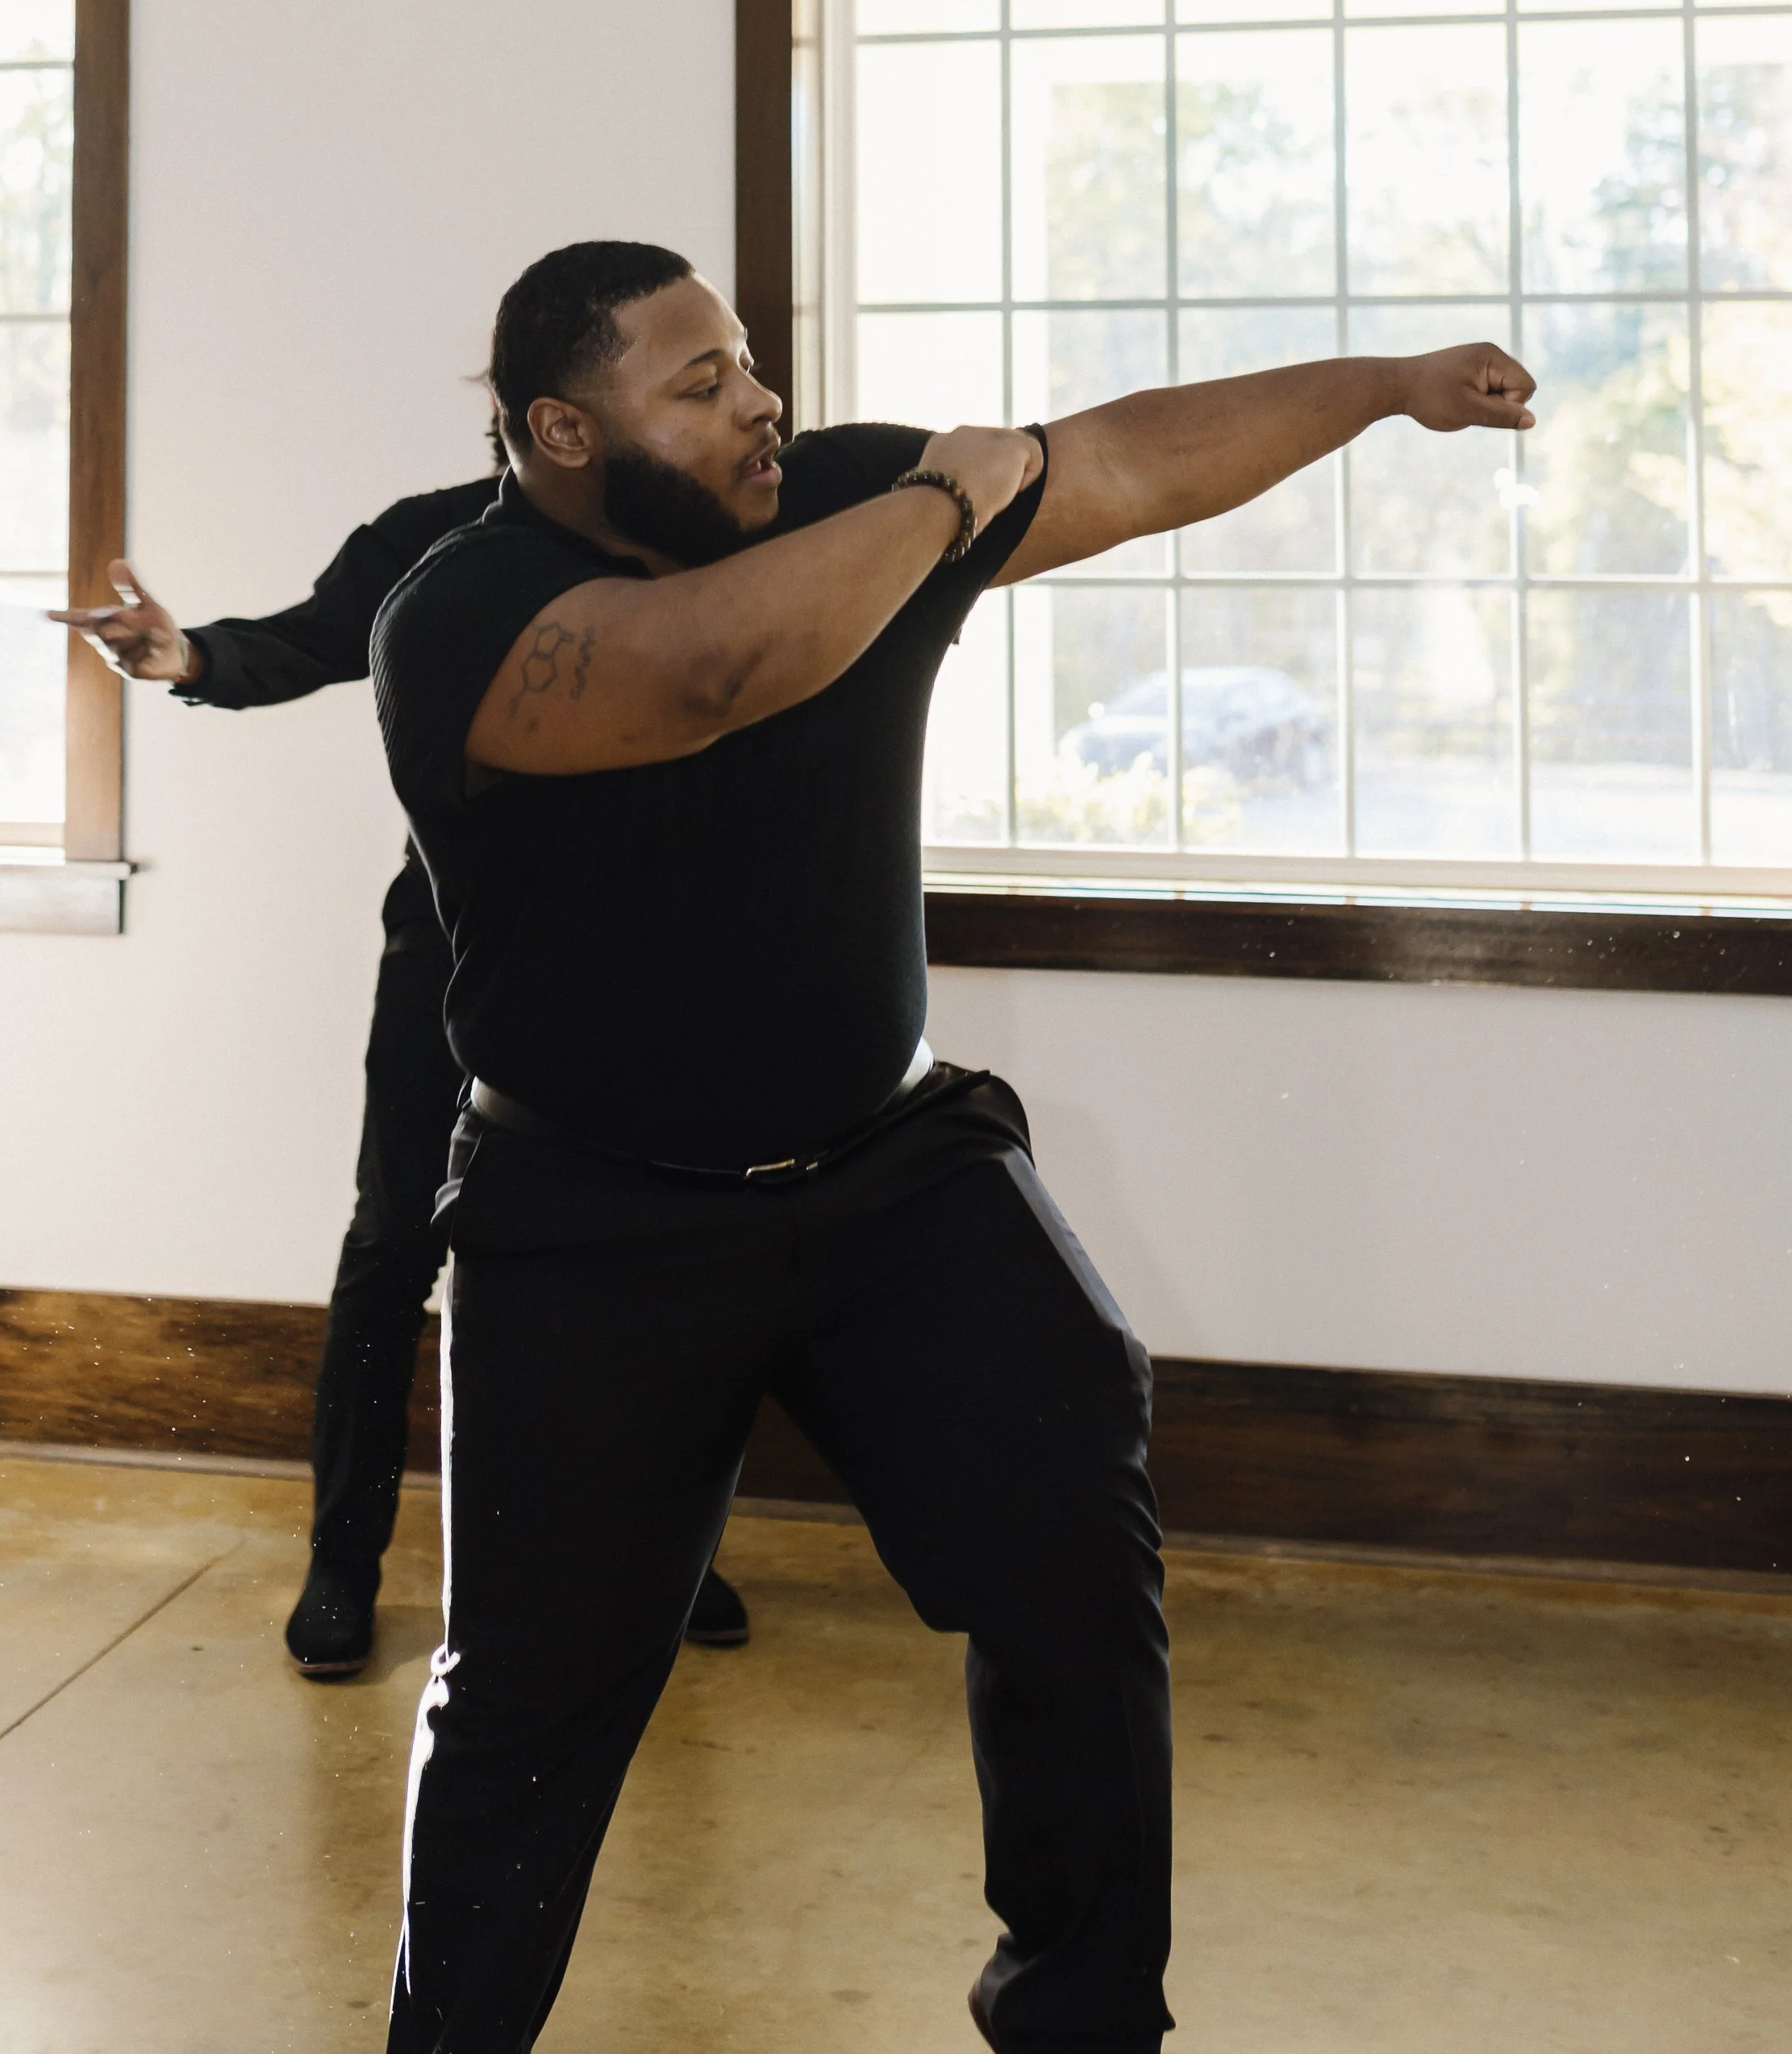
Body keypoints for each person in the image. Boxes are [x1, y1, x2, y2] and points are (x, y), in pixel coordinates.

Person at [369, 237, 1538, 2053]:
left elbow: (1130, 462)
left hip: (891, 1172)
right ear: (560, 430)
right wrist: (942, 498)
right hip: (591, 1220)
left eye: (749, 361)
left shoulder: (844, 493)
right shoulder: (459, 614)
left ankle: (1084, 2020)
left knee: (1073, 1548)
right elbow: (717, 668)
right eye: (698, 382)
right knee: (530, 1704)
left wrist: (1383, 388)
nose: (758, 400)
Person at [48, 475, 752, 1678]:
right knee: (393, 1241)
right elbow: (314, 636)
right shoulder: (437, 541)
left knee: (648, 1249)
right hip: (456, 948)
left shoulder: (699, 541)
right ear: (542, 417)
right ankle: (343, 1561)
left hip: (648, 955)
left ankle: (657, 1551)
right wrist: (186, 654)